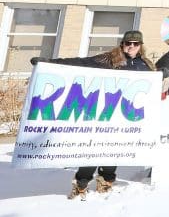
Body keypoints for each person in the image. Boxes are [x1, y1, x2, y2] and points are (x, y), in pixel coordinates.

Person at [31, 30, 155, 198]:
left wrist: (161, 74)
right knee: (95, 149)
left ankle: (106, 180)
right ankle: (81, 182)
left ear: (140, 46)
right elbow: (81, 63)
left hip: (126, 117)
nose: (131, 47)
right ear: (122, 44)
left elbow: (151, 87)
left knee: (115, 150)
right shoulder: (109, 59)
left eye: (136, 44)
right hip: (104, 113)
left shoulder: (145, 64)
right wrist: (50, 63)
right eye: (128, 43)